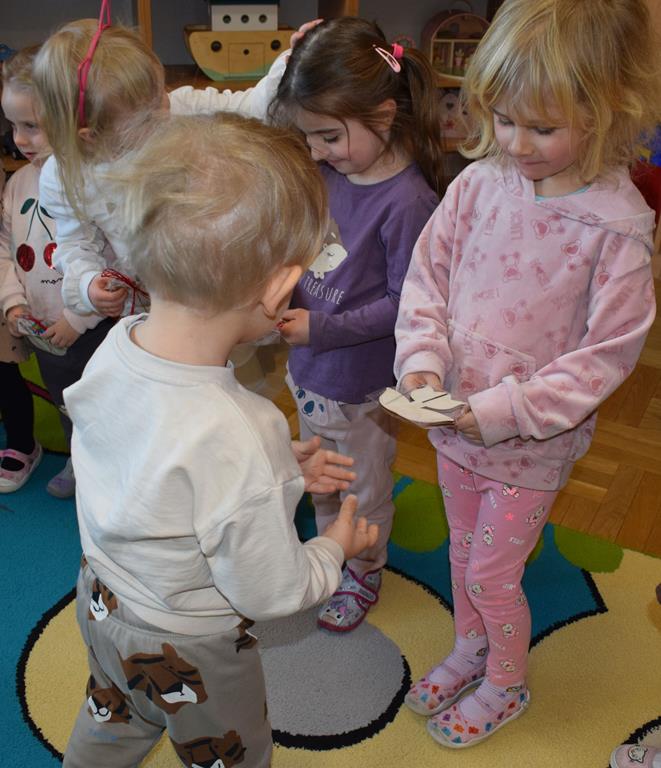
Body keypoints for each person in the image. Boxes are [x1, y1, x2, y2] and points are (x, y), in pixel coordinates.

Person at [61, 111, 377, 768]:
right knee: (228, 755)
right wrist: (333, 549)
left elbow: (150, 461)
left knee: (113, 713)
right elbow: (270, 591)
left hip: (101, 600)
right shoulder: (243, 428)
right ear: (279, 289)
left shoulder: (116, 347)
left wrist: (275, 472)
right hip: (189, 646)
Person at [394, 0, 661, 748]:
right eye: (503, 119)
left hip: (531, 445)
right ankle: (470, 649)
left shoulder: (616, 226)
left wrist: (503, 412)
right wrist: (421, 364)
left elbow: (605, 357)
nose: (514, 142)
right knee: (459, 553)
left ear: (607, 110)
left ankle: (506, 682)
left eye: (541, 128)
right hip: (452, 424)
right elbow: (427, 280)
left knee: (491, 573)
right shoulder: (478, 184)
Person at [269, 17, 444, 632]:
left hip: (361, 388)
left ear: (384, 115)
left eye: (329, 136)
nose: (317, 151)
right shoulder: (328, 172)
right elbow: (311, 249)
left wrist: (321, 330)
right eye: (309, 136)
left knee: (361, 490)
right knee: (319, 476)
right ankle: (328, 552)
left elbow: (407, 305)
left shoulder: (410, 202)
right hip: (309, 372)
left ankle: (363, 569)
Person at [31, 5, 314, 320]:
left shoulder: (177, 109)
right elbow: (74, 243)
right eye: (148, 114)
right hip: (151, 308)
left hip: (216, 281)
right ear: (91, 136)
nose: (165, 110)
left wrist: (290, 64)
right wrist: (87, 284)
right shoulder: (63, 176)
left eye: (161, 93)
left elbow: (250, 108)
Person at [0, 46, 109, 497]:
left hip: (94, 325)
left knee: (103, 404)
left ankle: (108, 473)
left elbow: (111, 264)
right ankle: (79, 462)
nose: (20, 139)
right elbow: (4, 247)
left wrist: (78, 318)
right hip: (44, 325)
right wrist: (13, 303)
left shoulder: (91, 181)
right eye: (12, 126)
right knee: (64, 399)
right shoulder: (19, 182)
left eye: (32, 126)